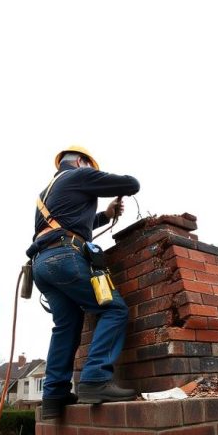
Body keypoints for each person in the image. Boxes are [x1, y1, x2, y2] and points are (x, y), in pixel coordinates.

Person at [27, 146, 141, 421]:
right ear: (81, 161)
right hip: (66, 257)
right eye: (89, 166)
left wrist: (106, 213)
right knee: (113, 309)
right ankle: (95, 379)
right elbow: (131, 184)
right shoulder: (77, 176)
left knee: (66, 325)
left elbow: (73, 221)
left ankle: (54, 395)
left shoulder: (48, 192)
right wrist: (111, 184)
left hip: (42, 264)